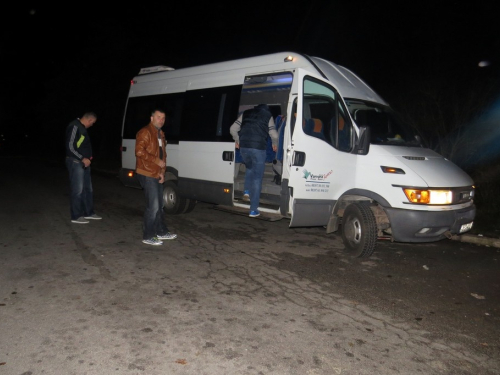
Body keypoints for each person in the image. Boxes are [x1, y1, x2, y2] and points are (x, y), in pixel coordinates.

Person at [135, 108, 177, 245]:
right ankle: (148, 235)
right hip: (146, 173)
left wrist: (162, 172)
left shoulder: (160, 134)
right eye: (158, 117)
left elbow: (163, 155)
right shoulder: (145, 132)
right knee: (153, 206)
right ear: (151, 118)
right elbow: (139, 151)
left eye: (163, 118)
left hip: (156, 173)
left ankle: (161, 231)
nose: (161, 120)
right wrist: (155, 161)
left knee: (160, 206)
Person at [230, 104, 278, 217]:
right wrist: (275, 144)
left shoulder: (246, 113)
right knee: (257, 178)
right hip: (258, 149)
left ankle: (246, 191)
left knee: (250, 168)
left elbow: (232, 129)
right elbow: (274, 134)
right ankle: (253, 209)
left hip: (244, 147)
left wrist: (237, 140)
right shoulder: (268, 115)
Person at [65, 111, 102, 224]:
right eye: (93, 123)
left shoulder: (81, 128)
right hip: (76, 162)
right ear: (90, 120)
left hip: (85, 163)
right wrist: (82, 158)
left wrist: (88, 158)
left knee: (88, 189)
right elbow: (70, 147)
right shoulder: (74, 126)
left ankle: (88, 212)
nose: (92, 125)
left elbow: (80, 145)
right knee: (78, 190)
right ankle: (76, 216)